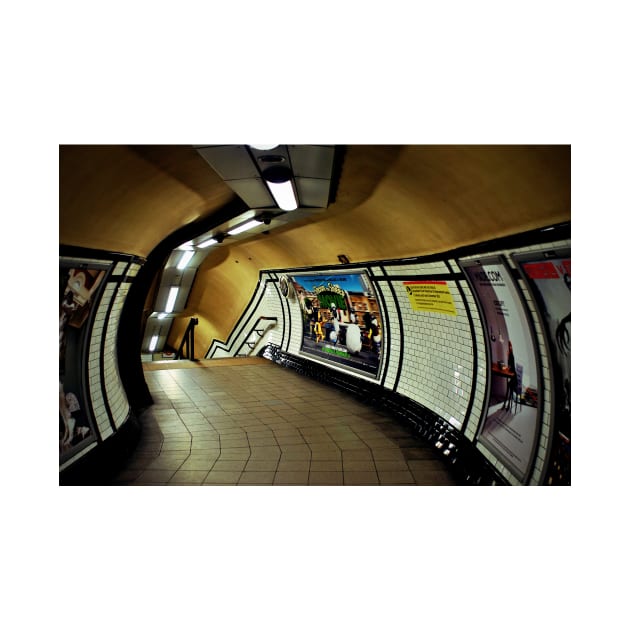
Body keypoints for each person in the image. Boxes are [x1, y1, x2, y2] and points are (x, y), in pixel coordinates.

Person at [502, 340, 517, 411]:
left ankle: (507, 405)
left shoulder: (512, 355)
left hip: (514, 376)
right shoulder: (509, 354)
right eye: (509, 346)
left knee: (509, 388)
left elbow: (512, 367)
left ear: (512, 347)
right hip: (511, 375)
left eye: (510, 346)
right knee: (508, 388)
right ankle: (505, 404)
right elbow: (509, 365)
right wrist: (507, 357)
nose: (509, 347)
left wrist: (508, 368)